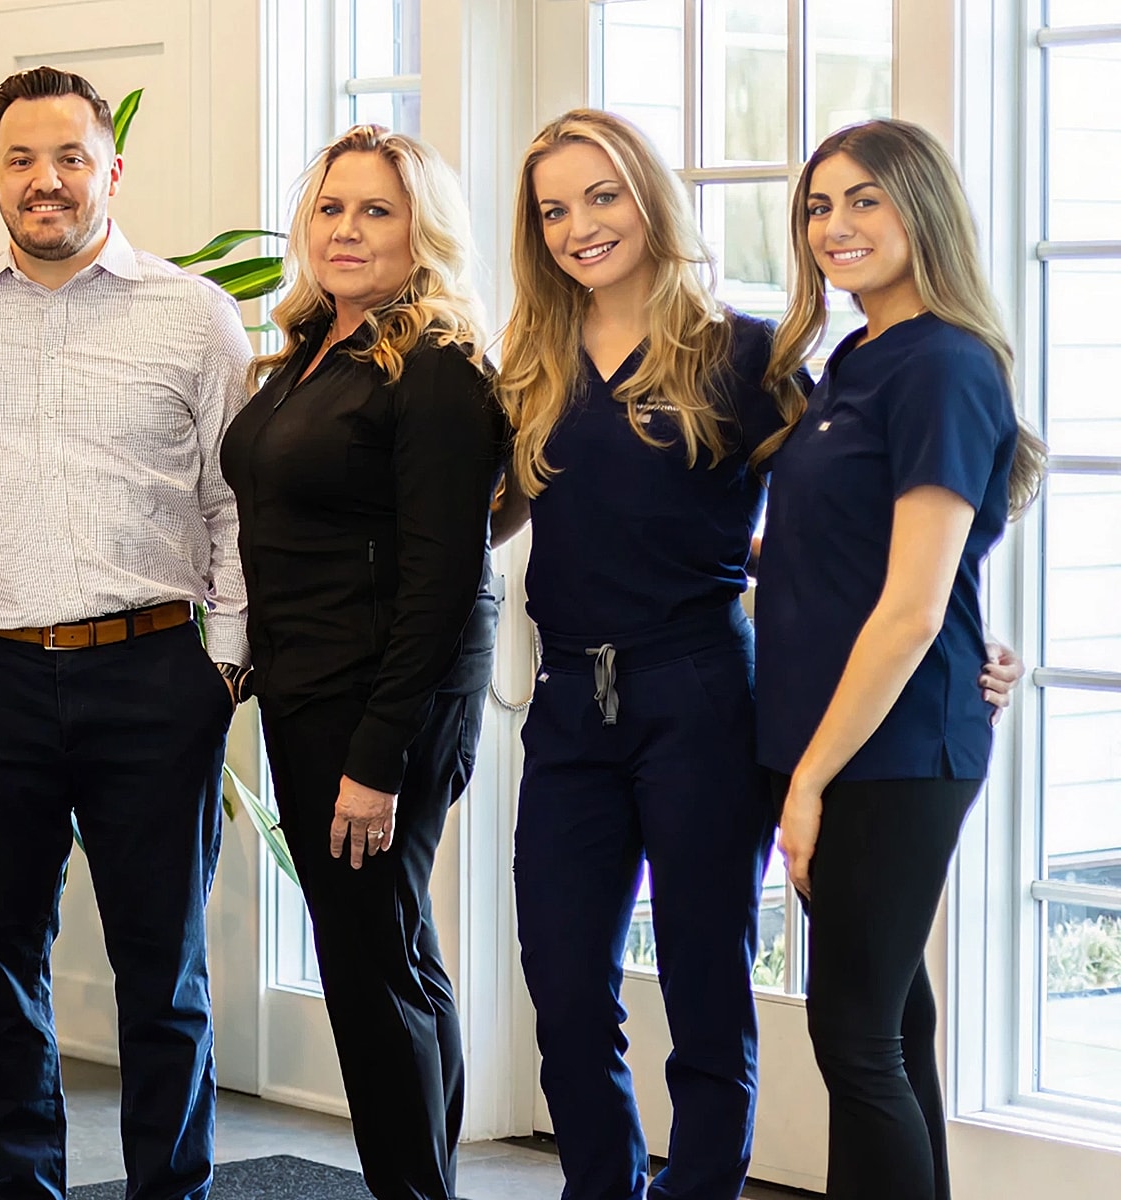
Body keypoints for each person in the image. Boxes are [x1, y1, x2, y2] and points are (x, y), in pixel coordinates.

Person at [0, 66, 250, 1200]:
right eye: (20, 159)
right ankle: (24, 1191)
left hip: (153, 677)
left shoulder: (193, 314)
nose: (45, 181)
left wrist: (222, 663)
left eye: (69, 158)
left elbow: (231, 500)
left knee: (165, 974)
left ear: (111, 170)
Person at [492, 109, 788, 1200]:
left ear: (649, 197)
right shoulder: (525, 362)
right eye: (554, 209)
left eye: (600, 196)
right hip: (570, 701)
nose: (579, 226)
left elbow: (851, 511)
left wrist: (964, 624)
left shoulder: (744, 353)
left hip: (701, 694)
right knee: (565, 984)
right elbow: (476, 521)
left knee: (706, 979)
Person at [757, 118, 1044, 1200]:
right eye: (818, 206)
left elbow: (914, 608)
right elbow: (841, 553)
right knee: (890, 1026)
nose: (836, 225)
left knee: (854, 1040)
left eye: (864, 198)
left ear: (920, 206)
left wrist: (809, 780)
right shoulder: (855, 357)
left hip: (890, 747)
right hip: (845, 735)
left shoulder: (943, 365)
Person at [221, 125, 503, 1200]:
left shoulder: (433, 364)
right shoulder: (317, 348)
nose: (346, 229)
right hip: (310, 689)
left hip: (378, 700)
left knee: (368, 969)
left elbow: (445, 575)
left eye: (376, 210)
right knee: (393, 955)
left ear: (420, 230)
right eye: (332, 207)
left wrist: (378, 753)